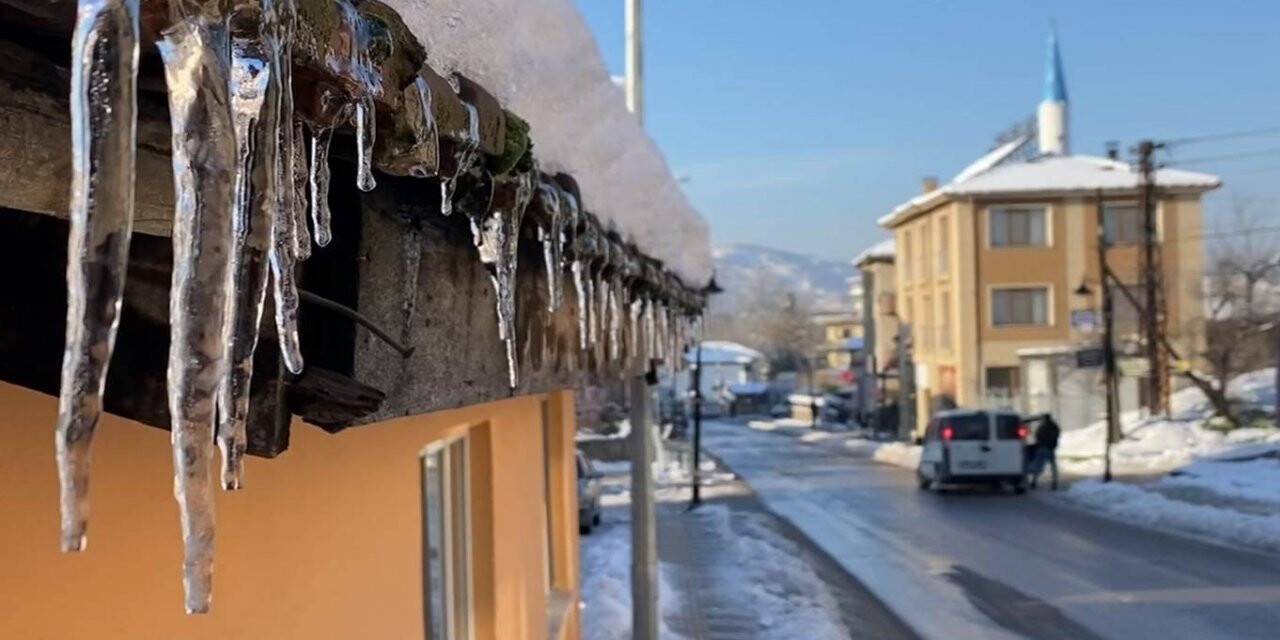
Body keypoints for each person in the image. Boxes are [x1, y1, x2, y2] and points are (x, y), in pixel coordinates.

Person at [1029, 414, 1060, 490]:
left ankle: (1034, 481)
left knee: (1038, 465)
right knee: (1053, 467)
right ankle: (1054, 482)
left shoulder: (1041, 427)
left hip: (1041, 448)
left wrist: (1038, 443)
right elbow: (1056, 435)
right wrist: (1053, 445)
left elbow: (1037, 436)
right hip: (1050, 448)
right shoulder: (1054, 426)